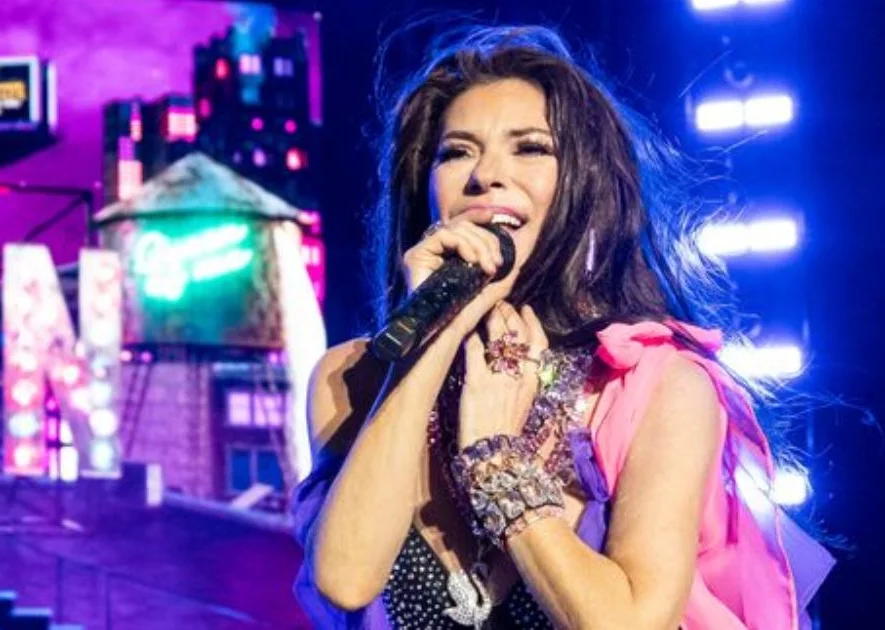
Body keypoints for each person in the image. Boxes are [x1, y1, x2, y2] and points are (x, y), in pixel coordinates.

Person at [293, 25, 832, 629]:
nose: (484, 176)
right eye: (456, 151)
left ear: (585, 187)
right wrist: (432, 335)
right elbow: (343, 577)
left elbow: (627, 622)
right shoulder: (354, 376)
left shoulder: (655, 385)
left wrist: (493, 457)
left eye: (529, 148)